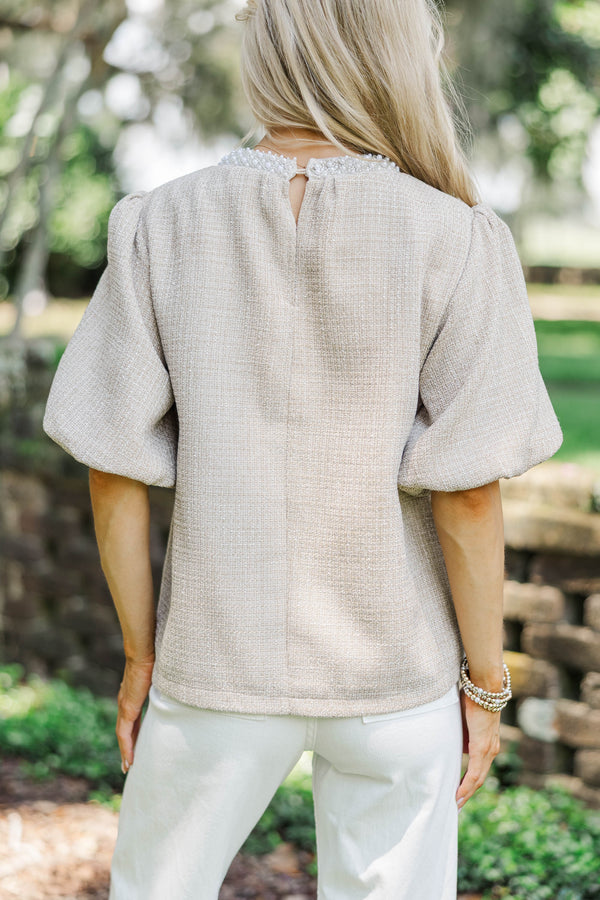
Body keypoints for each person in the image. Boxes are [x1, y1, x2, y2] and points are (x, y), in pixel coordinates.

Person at [42, 0, 563, 897]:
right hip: (395, 676)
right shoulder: (456, 235)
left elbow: (113, 466)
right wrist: (485, 686)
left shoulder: (159, 224)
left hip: (214, 665)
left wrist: (140, 657)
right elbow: (470, 492)